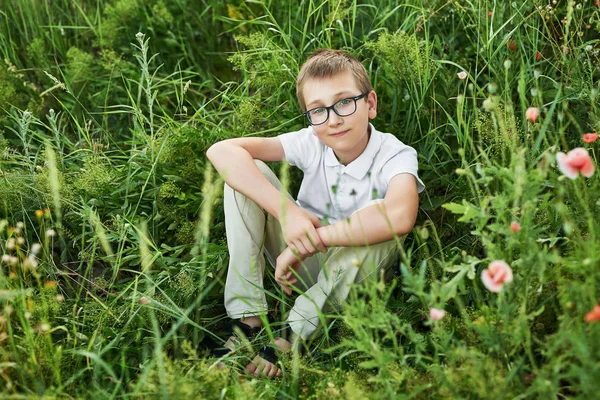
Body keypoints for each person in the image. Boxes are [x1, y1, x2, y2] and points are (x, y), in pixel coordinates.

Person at [206, 48, 424, 379]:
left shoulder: (394, 154)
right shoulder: (313, 141)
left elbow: (400, 215)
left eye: (344, 102)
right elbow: (222, 150)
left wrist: (314, 238)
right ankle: (247, 319)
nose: (333, 119)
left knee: (377, 221)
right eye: (317, 110)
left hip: (356, 278)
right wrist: (289, 214)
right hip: (300, 267)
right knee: (244, 180)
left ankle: (293, 334)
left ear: (371, 104)